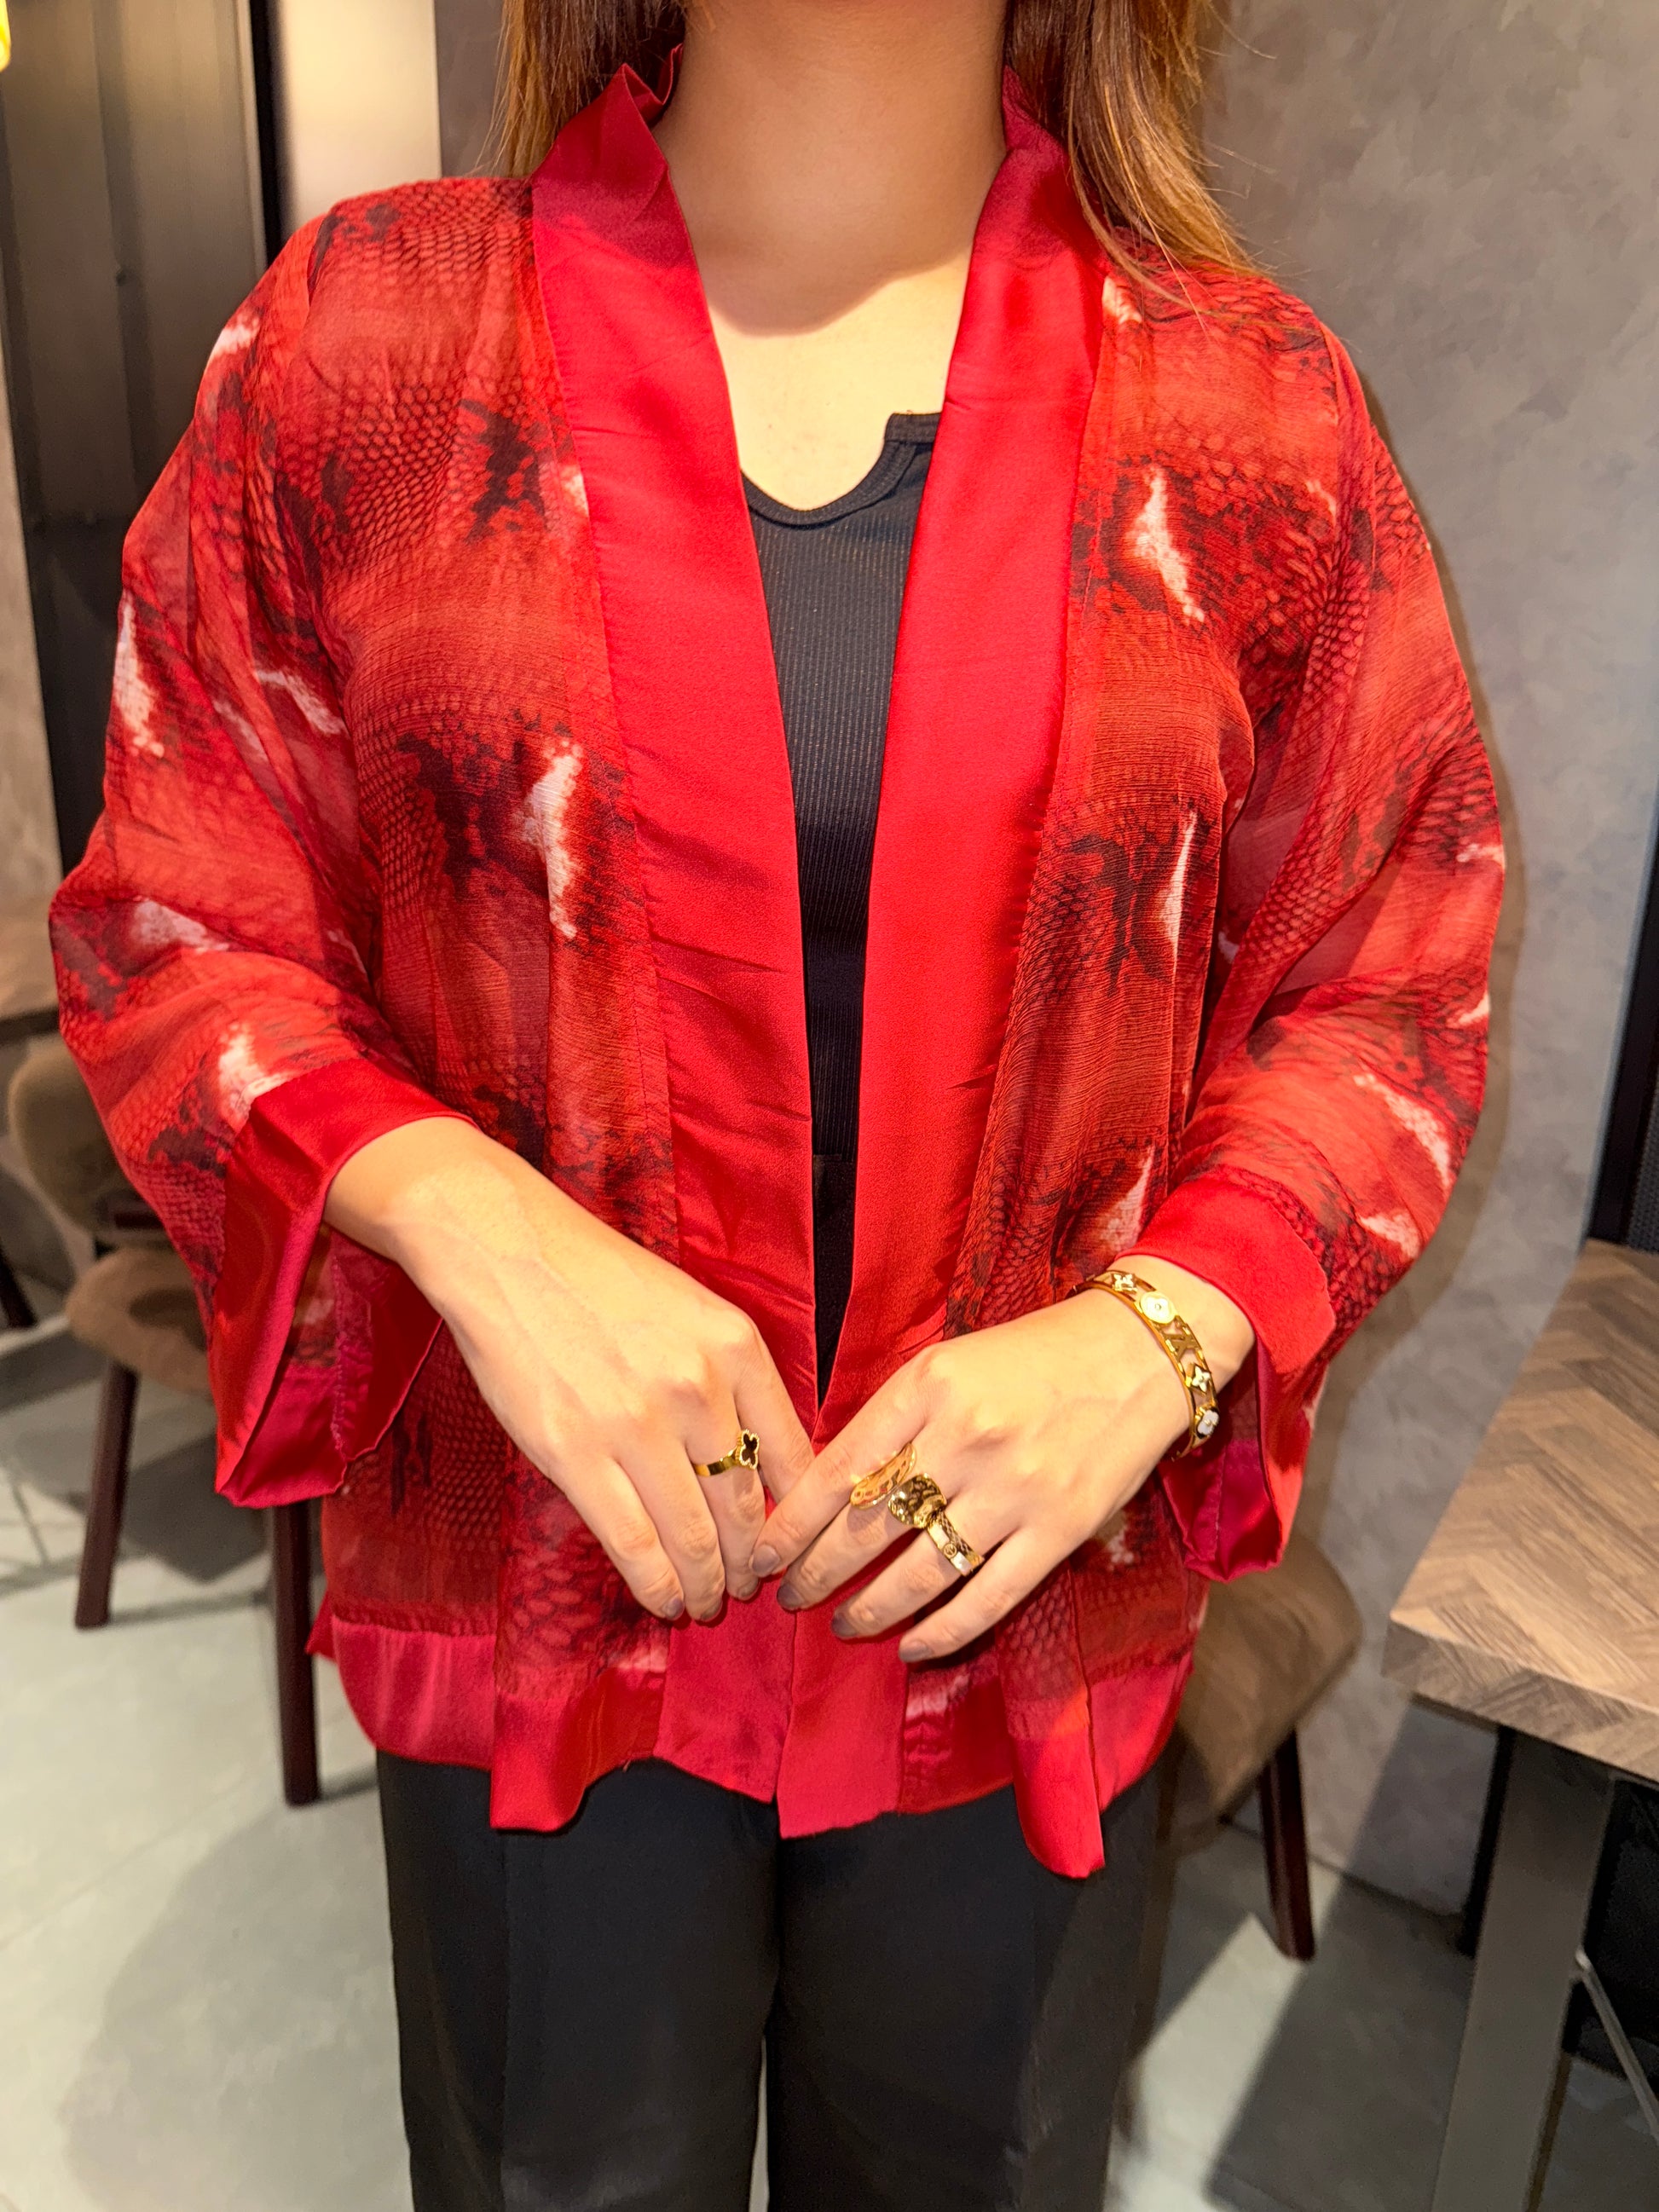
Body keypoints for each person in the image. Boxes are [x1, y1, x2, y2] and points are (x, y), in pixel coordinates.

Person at [51, 0, 1503, 2204]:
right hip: (541, 1601)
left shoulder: (1251, 418)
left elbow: (1390, 972)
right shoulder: (362, 350)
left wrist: (1158, 1333)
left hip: (1008, 1623)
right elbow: (179, 915)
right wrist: (466, 1212)